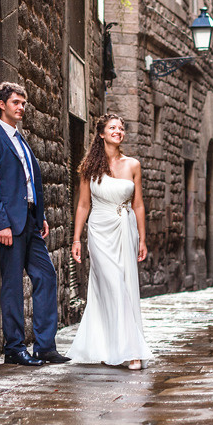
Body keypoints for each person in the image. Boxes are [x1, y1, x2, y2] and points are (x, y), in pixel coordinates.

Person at [0, 81, 70, 366]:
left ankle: (44, 347)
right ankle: (15, 348)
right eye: (17, 102)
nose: (22, 108)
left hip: (30, 221)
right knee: (13, 285)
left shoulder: (21, 139)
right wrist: (0, 223)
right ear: (2, 104)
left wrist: (40, 214)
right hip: (9, 224)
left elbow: (32, 180)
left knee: (46, 276)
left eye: (24, 103)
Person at [68, 113, 153, 370]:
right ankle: (124, 348)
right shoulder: (89, 167)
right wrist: (76, 239)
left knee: (124, 284)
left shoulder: (133, 165)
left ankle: (126, 347)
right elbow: (83, 205)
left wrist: (142, 238)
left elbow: (138, 205)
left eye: (121, 128)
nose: (118, 131)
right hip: (99, 230)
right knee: (110, 284)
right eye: (113, 128)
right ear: (102, 134)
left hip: (125, 228)